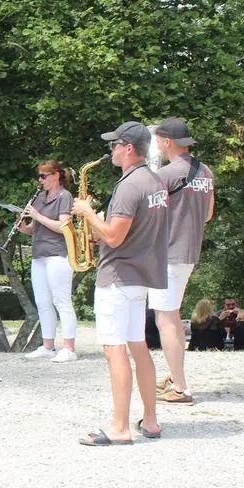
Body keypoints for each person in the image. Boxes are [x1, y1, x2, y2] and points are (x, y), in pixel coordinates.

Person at [72, 121, 167, 445]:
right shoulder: (154, 181)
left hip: (118, 277)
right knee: (138, 346)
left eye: (115, 144)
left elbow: (114, 236)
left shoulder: (129, 185)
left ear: (128, 148)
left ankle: (120, 428)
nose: (111, 149)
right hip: (139, 275)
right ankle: (150, 421)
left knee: (115, 351)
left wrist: (87, 213)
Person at [148, 117, 215, 405]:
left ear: (167, 142)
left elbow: (148, 217)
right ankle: (175, 377)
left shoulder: (165, 174)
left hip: (167, 252)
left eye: (159, 141)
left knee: (165, 320)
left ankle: (181, 388)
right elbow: (208, 214)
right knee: (172, 316)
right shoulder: (205, 171)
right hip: (188, 252)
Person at [17, 160, 79, 362]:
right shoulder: (40, 197)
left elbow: (62, 226)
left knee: (62, 301)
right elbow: (34, 229)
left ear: (56, 175)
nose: (40, 180)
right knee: (43, 302)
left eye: (43, 176)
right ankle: (48, 346)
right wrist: (23, 227)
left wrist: (37, 215)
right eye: (39, 176)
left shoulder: (64, 196)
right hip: (39, 254)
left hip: (58, 254)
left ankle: (69, 349)